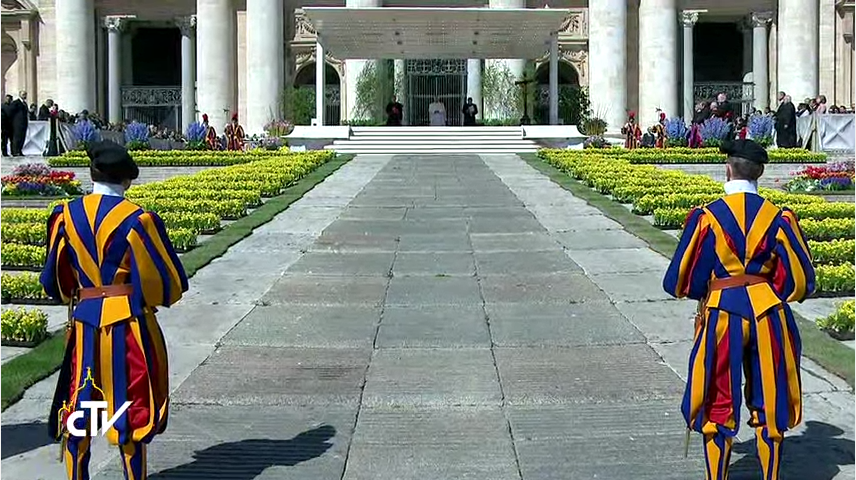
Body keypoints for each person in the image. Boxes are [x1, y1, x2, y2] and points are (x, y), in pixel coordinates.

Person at [663, 139, 814, 480]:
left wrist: (711, 289)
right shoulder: (779, 218)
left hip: (722, 313)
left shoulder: (707, 217)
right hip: (768, 314)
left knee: (718, 398)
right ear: (760, 173)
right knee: (770, 398)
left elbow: (678, 282)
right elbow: (801, 281)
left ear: (727, 170)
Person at [42, 140, 188, 480]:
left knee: (81, 407)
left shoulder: (65, 216)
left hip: (85, 323)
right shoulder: (138, 220)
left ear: (91, 174)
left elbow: (55, 281)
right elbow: (167, 284)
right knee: (129, 408)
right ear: (127, 179)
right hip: (127, 326)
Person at [11, 90, 29, 156]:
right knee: (17, 137)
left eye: (25, 94)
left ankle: (19, 150)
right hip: (17, 123)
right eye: (23, 94)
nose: (24, 96)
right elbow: (11, 112)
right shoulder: (16, 102)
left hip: (24, 123)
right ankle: (15, 151)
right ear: (20, 95)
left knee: (22, 137)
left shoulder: (25, 103)